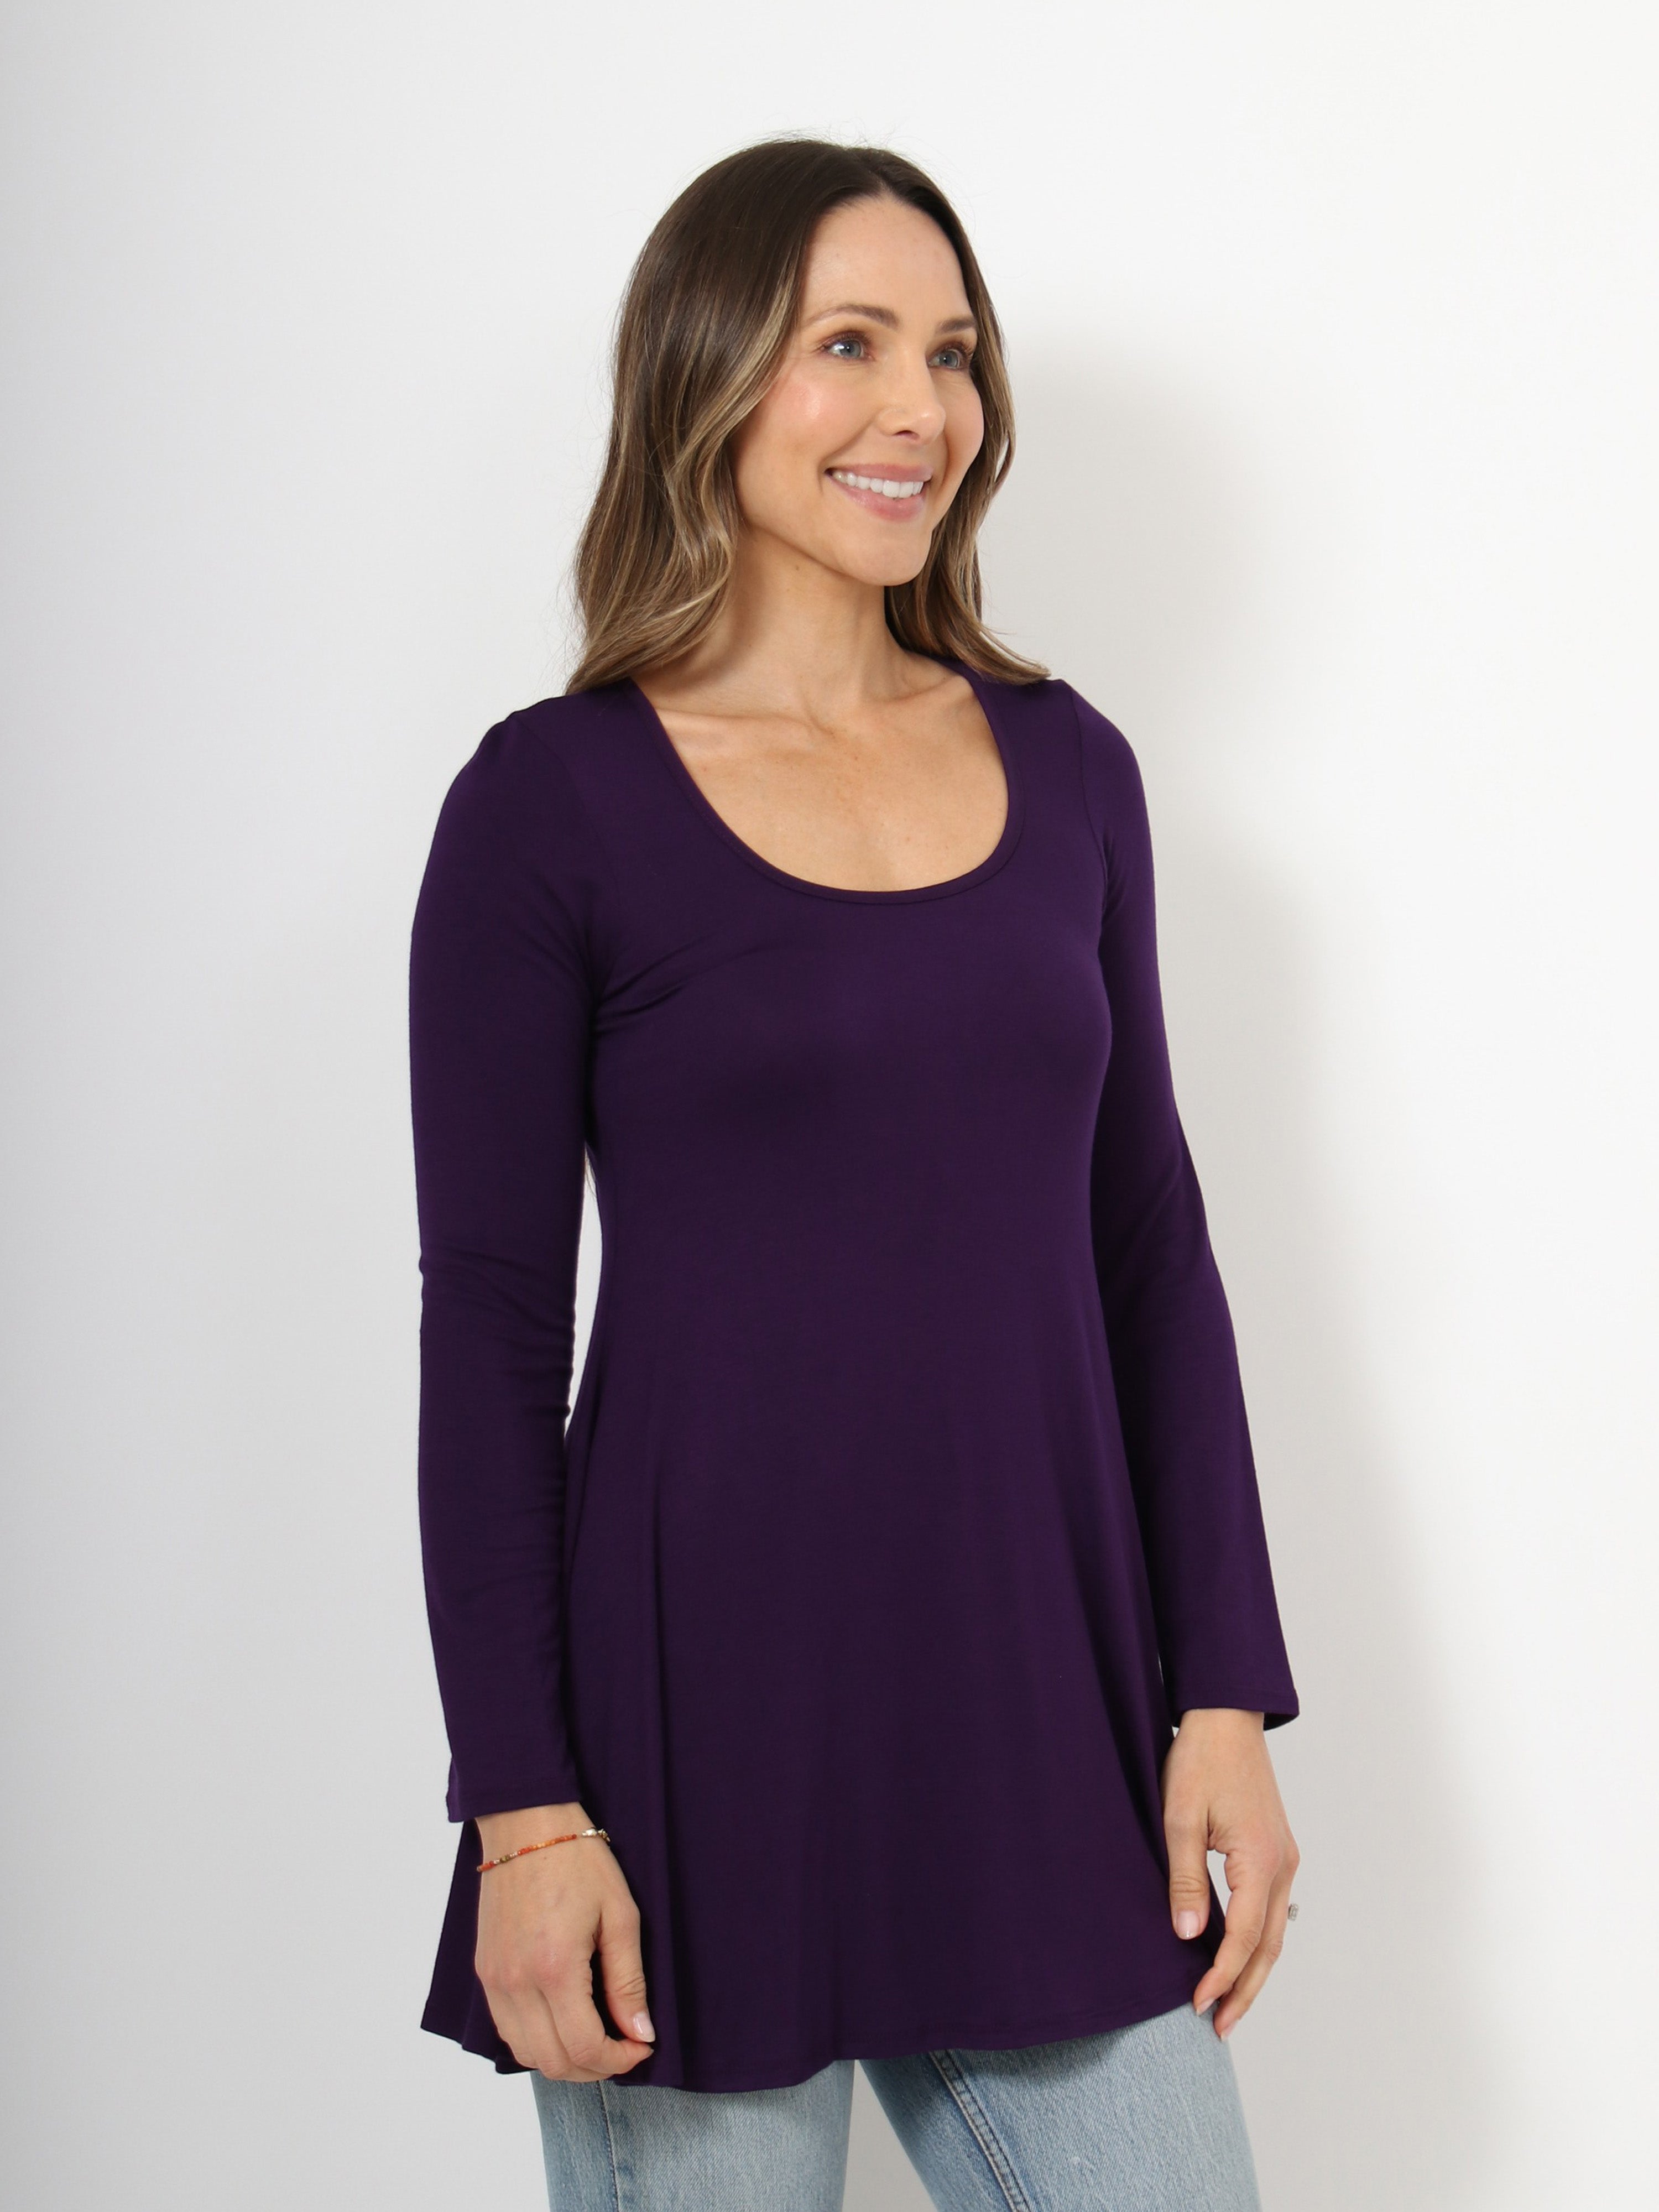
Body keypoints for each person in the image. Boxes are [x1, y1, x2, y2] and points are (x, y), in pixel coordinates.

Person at [408, 136, 1302, 2212]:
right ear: (710, 371)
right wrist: (524, 1815)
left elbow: (1150, 1252)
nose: (920, 408)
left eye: (954, 354)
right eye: (850, 345)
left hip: (1042, 1718)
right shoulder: (551, 806)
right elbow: (494, 1333)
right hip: (687, 1759)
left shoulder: (1068, 768)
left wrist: (1225, 1698)